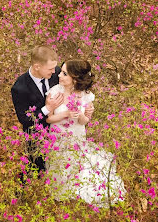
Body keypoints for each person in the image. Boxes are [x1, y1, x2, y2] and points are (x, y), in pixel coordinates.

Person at [45, 59, 126, 208]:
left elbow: (84, 121)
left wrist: (81, 116)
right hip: (57, 136)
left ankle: (74, 187)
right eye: (61, 72)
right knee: (59, 164)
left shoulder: (86, 96)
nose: (59, 76)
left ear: (75, 78)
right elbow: (49, 118)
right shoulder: (55, 92)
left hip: (76, 135)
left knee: (74, 163)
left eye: (64, 74)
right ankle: (58, 191)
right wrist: (66, 114)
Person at [11, 45, 64, 174]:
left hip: (60, 131)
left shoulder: (56, 72)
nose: (54, 72)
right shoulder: (19, 88)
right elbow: (24, 119)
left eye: (54, 68)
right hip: (37, 137)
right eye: (50, 69)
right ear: (37, 66)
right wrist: (47, 108)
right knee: (38, 170)